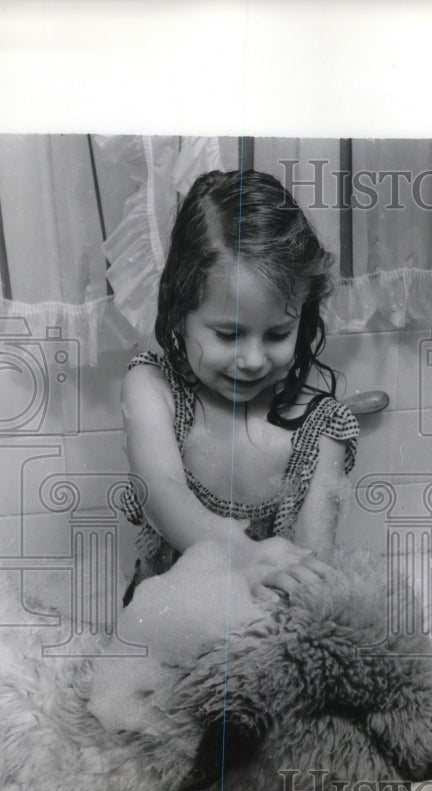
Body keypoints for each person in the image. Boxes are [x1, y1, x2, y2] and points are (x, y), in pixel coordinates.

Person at [118, 169, 358, 602]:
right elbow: (159, 490)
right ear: (178, 315)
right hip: (161, 621)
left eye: (277, 334)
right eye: (228, 336)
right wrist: (242, 557)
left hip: (261, 628)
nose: (252, 360)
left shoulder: (322, 430)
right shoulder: (153, 389)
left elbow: (311, 564)